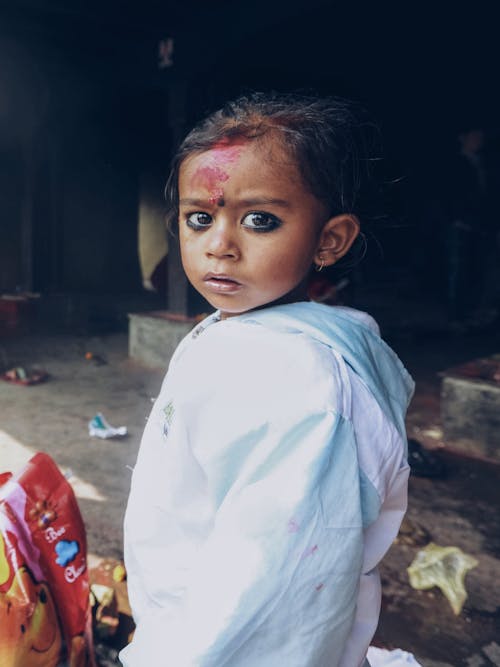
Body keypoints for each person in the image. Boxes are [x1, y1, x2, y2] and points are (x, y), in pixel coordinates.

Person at [121, 92, 414, 667]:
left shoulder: (304, 388)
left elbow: (272, 595)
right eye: (199, 218)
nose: (219, 245)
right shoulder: (232, 330)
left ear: (329, 239)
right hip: (182, 624)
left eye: (260, 220)